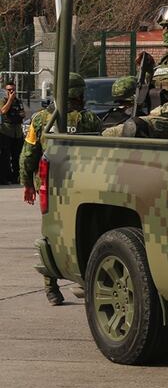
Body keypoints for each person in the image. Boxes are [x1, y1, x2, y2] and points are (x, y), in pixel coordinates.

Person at [21, 73, 101, 306]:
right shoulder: (90, 120)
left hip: (50, 186)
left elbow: (28, 155)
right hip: (81, 188)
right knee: (84, 234)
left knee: (50, 235)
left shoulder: (40, 119)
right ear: (78, 93)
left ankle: (52, 289)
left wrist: (27, 183)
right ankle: (84, 281)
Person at [103, 5, 168, 139]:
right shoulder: (167, 59)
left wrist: (155, 113)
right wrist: (148, 70)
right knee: (110, 126)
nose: (165, 31)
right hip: (164, 121)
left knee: (128, 129)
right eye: (163, 27)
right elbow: (149, 93)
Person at [0, 81, 25, 184]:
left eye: (13, 90)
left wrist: (22, 114)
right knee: (5, 157)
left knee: (17, 156)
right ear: (6, 91)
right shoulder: (3, 100)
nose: (11, 91)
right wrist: (10, 99)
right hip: (6, 131)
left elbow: (23, 113)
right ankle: (5, 178)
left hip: (17, 132)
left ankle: (16, 177)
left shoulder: (18, 101)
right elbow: (3, 111)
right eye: (9, 90)